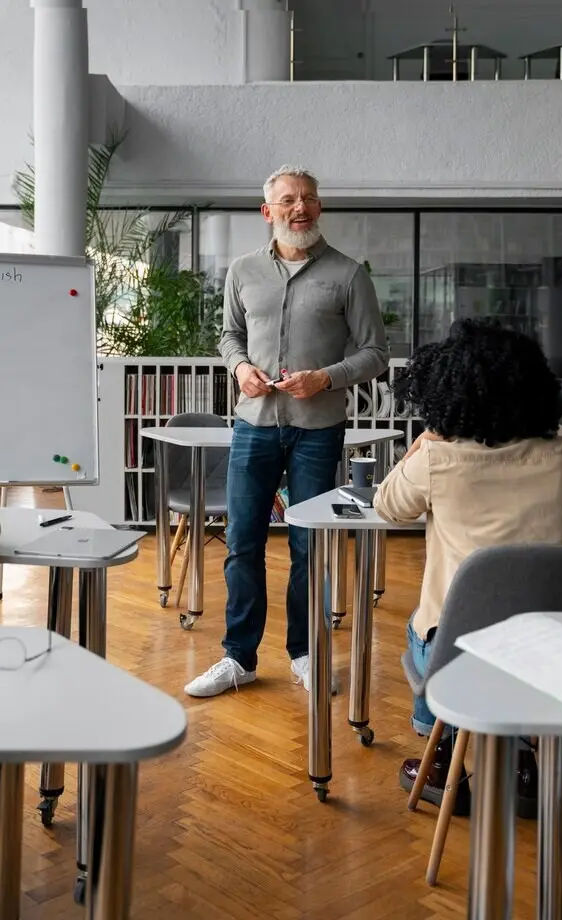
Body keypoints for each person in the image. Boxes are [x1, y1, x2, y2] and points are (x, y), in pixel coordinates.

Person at [374, 319, 562, 814]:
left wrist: (422, 443)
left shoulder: (437, 458)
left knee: (433, 628)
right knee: (500, 641)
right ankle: (525, 760)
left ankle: (441, 756)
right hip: (557, 648)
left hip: (461, 653)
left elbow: (389, 506)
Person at [185, 165, 388, 698]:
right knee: (242, 542)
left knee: (309, 546)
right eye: (289, 199)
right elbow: (229, 336)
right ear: (268, 211)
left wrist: (326, 376)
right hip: (252, 427)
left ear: (319, 208)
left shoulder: (348, 274)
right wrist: (238, 368)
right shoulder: (242, 271)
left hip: (317, 430)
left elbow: (375, 353)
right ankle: (238, 657)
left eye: (310, 198)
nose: (301, 207)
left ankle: (305, 653)